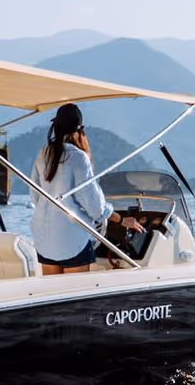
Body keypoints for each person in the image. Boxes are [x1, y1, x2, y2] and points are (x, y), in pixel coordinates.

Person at [28, 103, 140, 274]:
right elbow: (95, 207)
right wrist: (123, 220)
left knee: (52, 293)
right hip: (71, 240)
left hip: (44, 239)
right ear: (79, 130)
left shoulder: (43, 153)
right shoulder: (79, 158)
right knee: (75, 294)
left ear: (55, 126)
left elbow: (36, 197)